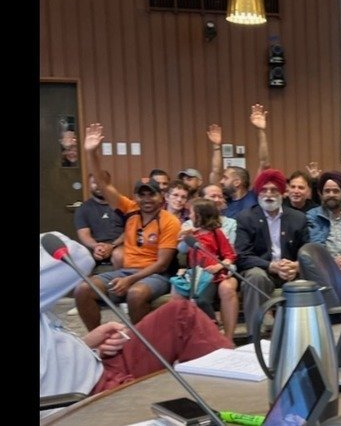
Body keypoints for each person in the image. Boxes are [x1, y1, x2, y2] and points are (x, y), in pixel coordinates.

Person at [40, 231, 232, 416]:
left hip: (97, 364)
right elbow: (78, 256)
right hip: (83, 399)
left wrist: (86, 343)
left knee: (180, 314)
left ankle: (239, 393)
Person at [75, 123, 181, 330]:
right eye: (142, 194)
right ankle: (98, 337)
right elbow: (103, 184)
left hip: (156, 276)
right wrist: (91, 153)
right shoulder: (130, 208)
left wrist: (131, 279)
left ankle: (142, 343)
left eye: (151, 194)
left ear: (161, 196)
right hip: (126, 271)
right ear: (135, 197)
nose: (146, 199)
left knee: (135, 293)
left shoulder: (170, 221)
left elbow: (162, 264)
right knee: (83, 289)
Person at [235, 169, 309, 339]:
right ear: (258, 192)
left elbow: (308, 250)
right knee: (255, 277)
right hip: (262, 270)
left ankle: (302, 337)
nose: (269, 194)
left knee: (311, 273)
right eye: (264, 190)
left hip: (290, 271)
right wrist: (271, 266)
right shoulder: (245, 218)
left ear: (282, 192)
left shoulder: (298, 218)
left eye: (274, 190)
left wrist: (297, 265)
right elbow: (242, 256)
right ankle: (255, 338)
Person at [171, 198, 239, 341]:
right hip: (195, 274)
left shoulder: (216, 233)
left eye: (192, 213)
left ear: (200, 215)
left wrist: (218, 266)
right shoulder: (192, 235)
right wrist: (184, 236)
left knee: (201, 300)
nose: (189, 216)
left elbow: (230, 255)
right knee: (178, 291)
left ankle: (214, 328)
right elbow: (181, 249)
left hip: (210, 275)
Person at [74, 172, 125, 269]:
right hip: (94, 247)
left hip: (119, 245)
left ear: (109, 184)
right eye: (95, 182)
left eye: (103, 182)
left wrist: (112, 246)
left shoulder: (123, 205)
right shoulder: (83, 209)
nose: (99, 185)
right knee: (77, 258)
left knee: (119, 256)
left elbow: (130, 230)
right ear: (89, 186)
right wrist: (96, 246)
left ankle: (120, 278)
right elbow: (84, 234)